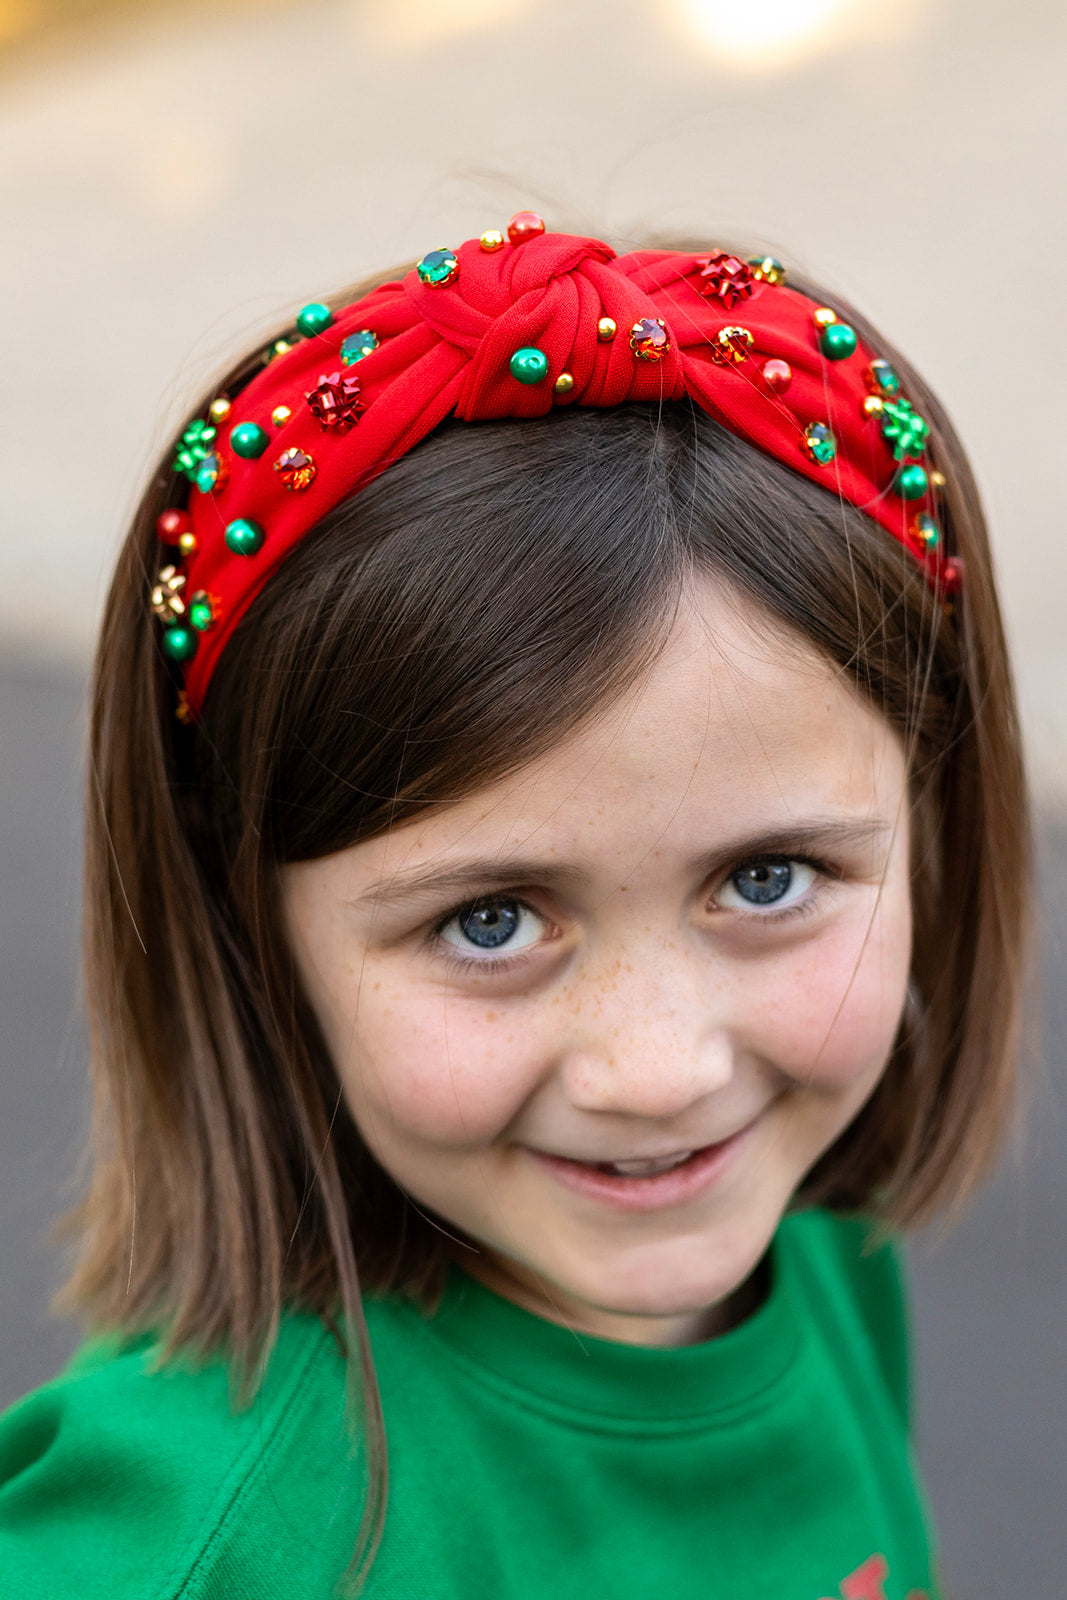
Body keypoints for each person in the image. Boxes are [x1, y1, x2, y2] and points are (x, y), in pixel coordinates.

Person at [0, 215, 1029, 1600]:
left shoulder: (820, 1249)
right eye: (489, 920)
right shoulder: (190, 1537)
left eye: (767, 880)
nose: (660, 1074)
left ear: (932, 812)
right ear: (253, 923)